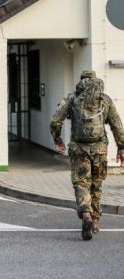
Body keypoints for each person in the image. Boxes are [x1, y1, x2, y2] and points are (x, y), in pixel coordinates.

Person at [50, 70, 124, 241]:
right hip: (100, 149)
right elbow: (117, 125)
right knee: (96, 184)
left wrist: (57, 138)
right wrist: (121, 148)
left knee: (82, 184)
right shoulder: (105, 100)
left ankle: (86, 214)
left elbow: (55, 121)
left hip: (78, 149)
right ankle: (96, 221)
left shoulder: (72, 98)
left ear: (82, 81)